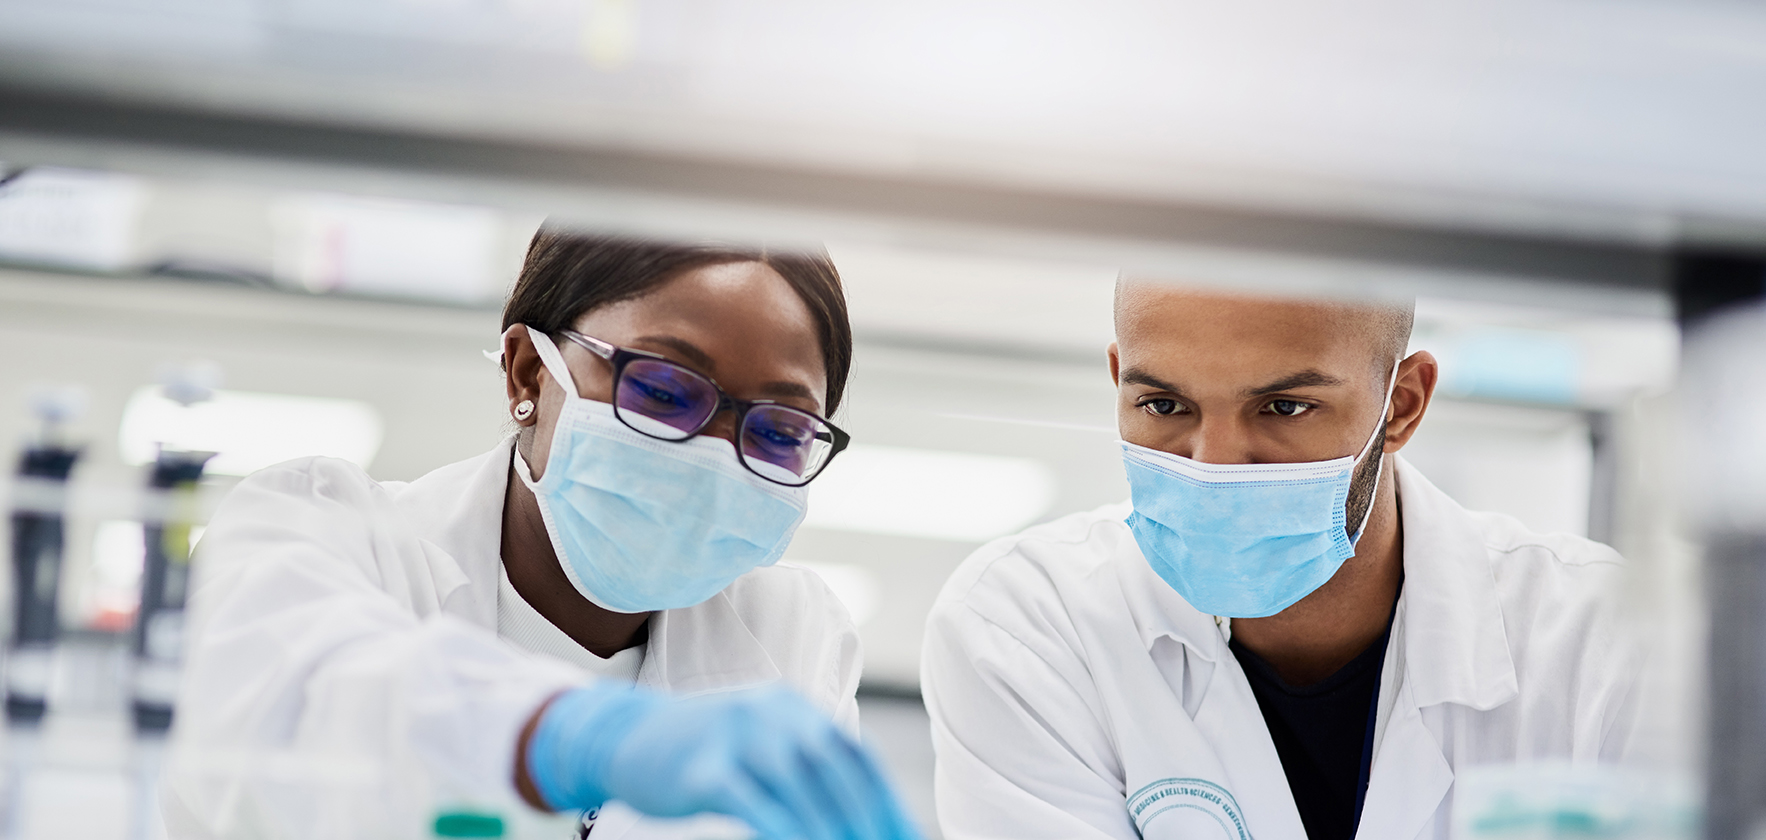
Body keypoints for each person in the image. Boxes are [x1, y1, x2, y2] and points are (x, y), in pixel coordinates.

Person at [164, 232, 921, 840]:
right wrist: (579, 738)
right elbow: (290, 724)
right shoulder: (322, 527)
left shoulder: (792, 631)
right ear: (528, 372)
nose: (717, 452)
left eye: (780, 430)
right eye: (662, 390)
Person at [920, 281, 1637, 840]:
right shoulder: (1027, 628)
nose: (1216, 464)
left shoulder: (1599, 642)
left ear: (1403, 403)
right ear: (1118, 380)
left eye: (1284, 407)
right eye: (1165, 405)